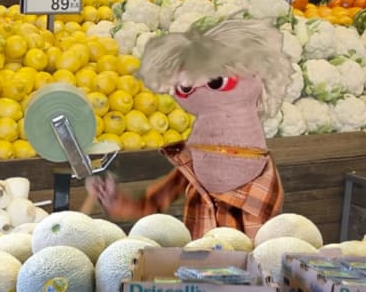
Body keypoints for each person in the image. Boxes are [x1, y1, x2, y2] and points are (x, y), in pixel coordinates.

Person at [85, 19, 292, 239]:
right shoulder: (196, 161)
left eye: (215, 82)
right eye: (185, 88)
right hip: (197, 264)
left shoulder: (261, 189)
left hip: (247, 265)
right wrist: (118, 202)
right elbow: (154, 202)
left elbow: (266, 247)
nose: (199, 89)